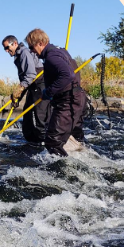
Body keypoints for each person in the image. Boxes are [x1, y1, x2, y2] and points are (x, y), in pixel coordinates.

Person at [24, 28, 86, 157]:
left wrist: (49, 92)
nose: (31, 51)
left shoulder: (52, 57)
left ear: (40, 43)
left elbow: (67, 74)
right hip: (74, 99)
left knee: (52, 142)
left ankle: (66, 172)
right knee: (66, 137)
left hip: (69, 101)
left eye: (31, 46)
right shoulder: (60, 51)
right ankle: (80, 157)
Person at [2, 35, 51, 146]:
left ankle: (44, 146)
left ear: (15, 44)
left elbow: (31, 75)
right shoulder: (18, 57)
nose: (6, 51)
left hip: (40, 85)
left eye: (7, 47)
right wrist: (18, 96)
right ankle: (30, 144)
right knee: (27, 117)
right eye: (4, 49)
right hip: (32, 87)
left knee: (39, 118)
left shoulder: (24, 53)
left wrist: (19, 90)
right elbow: (25, 80)